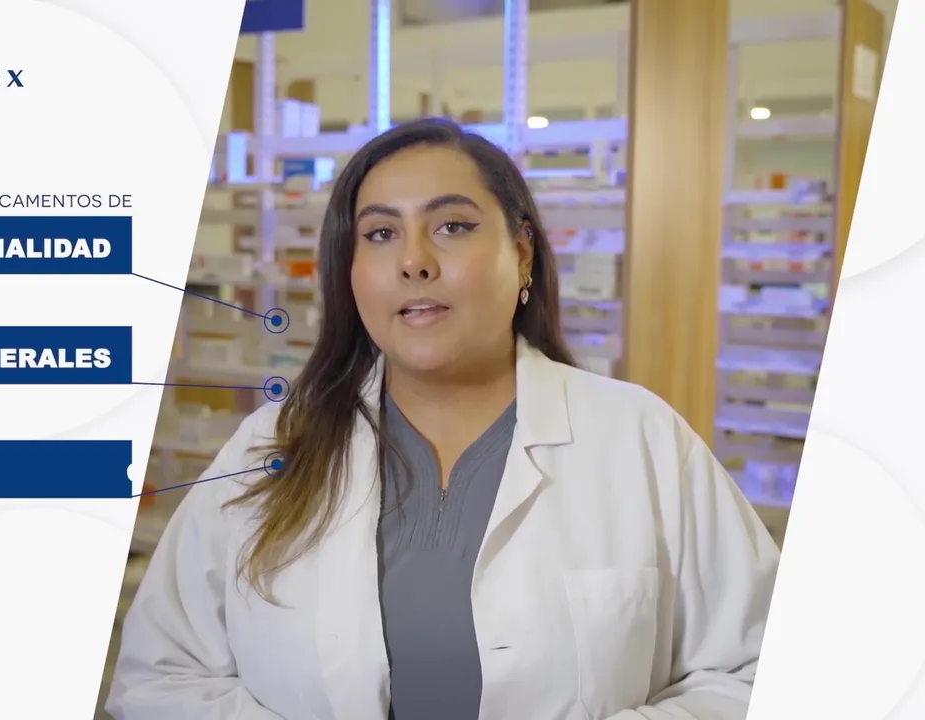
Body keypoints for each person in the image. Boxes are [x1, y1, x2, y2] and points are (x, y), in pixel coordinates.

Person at [106, 118, 780, 720]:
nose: (414, 261)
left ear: (522, 252)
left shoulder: (640, 439)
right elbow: (159, 675)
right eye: (381, 234)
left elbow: (759, 673)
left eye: (452, 226)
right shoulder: (272, 445)